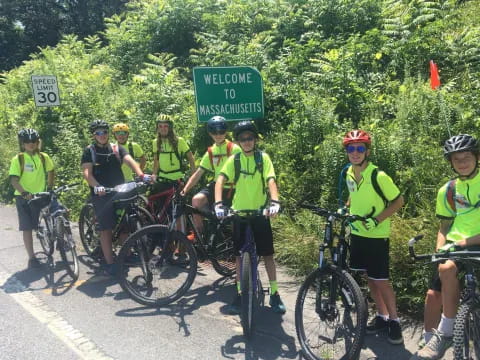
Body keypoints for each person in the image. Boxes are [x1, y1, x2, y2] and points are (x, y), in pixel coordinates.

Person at [412, 134, 480, 360]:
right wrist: (440, 251)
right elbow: (444, 227)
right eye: (456, 159)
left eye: (467, 157)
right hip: (456, 246)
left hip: (471, 244)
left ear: (477, 157)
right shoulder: (448, 190)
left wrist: (462, 242)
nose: (462, 162)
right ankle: (439, 336)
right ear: (450, 162)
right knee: (437, 286)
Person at [214, 120, 285, 315]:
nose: (247, 142)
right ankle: (239, 293)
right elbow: (220, 181)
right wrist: (219, 204)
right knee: (238, 257)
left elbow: (271, 180)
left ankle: (275, 293)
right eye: (243, 139)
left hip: (260, 213)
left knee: (268, 254)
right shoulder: (234, 160)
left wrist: (275, 201)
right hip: (239, 213)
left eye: (250, 138)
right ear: (238, 141)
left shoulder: (263, 158)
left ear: (255, 139)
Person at [341, 129, 405, 345]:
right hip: (358, 233)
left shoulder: (379, 176)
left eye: (360, 148)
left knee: (382, 280)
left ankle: (395, 322)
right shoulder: (350, 172)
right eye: (351, 148)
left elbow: (398, 202)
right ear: (347, 152)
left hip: (377, 235)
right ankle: (381, 316)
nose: (355, 153)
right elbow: (353, 194)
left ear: (367, 152)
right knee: (370, 278)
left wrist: (377, 220)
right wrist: (346, 208)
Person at [81, 119, 150, 276]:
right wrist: (96, 185)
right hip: (102, 192)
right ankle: (110, 263)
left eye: (104, 132)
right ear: (94, 135)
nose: (102, 135)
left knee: (127, 221)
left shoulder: (116, 148)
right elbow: (87, 173)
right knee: (106, 228)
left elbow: (129, 160)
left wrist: (141, 175)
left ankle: (125, 253)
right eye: (98, 133)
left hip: (120, 189)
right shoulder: (89, 151)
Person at [181, 116, 241, 235]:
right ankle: (201, 236)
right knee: (196, 201)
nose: (218, 135)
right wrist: (185, 190)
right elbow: (198, 173)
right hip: (216, 186)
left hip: (234, 187)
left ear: (226, 132)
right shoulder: (211, 151)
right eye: (214, 132)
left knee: (236, 220)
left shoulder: (234, 149)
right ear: (210, 133)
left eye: (221, 131)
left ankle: (234, 244)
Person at [9, 128, 55, 268]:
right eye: (27, 141)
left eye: (34, 141)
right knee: (27, 227)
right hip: (25, 197)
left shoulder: (43, 157)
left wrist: (50, 187)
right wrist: (24, 192)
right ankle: (32, 257)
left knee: (57, 212)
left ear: (37, 142)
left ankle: (61, 238)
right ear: (22, 143)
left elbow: (51, 171)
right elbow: (14, 180)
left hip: (41, 194)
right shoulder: (19, 159)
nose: (31, 144)